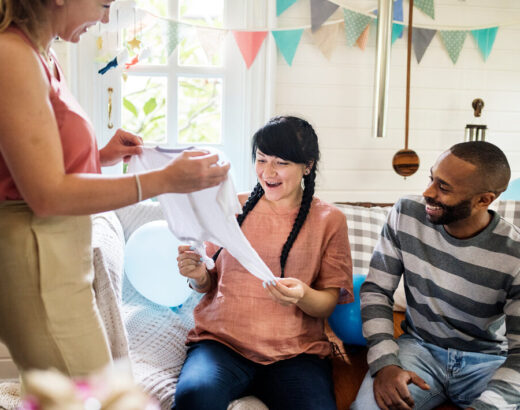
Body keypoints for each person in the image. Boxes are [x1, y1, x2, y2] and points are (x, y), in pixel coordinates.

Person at [0, 0, 229, 378]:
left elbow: (40, 161)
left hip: (61, 262)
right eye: (104, 4)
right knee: (93, 394)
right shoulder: (13, 56)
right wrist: (165, 179)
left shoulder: (44, 54)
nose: (106, 18)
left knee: (77, 394)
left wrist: (100, 155)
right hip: (37, 260)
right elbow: (45, 195)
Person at [173, 116, 353, 410]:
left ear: (307, 165)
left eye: (281, 163)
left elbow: (328, 304)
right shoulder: (230, 206)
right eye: (261, 159)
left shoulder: (330, 220)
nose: (268, 172)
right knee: (196, 396)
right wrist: (196, 275)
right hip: (222, 346)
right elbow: (207, 284)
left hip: (296, 354)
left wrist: (302, 295)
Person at [352, 141, 520, 410]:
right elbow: (376, 290)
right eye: (432, 178)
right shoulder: (406, 213)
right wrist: (385, 363)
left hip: (487, 362)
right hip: (418, 348)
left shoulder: (515, 255)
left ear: (484, 199)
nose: (427, 192)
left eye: (443, 187)